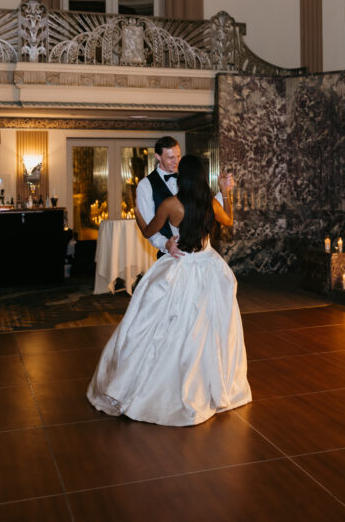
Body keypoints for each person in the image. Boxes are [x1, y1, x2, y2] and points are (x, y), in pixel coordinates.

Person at [87, 155, 249, 426]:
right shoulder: (210, 203)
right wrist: (225, 193)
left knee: (157, 325)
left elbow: (149, 231)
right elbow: (229, 220)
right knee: (208, 328)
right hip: (209, 266)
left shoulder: (171, 205)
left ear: (182, 177)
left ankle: (157, 384)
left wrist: (139, 215)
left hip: (181, 266)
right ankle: (209, 383)